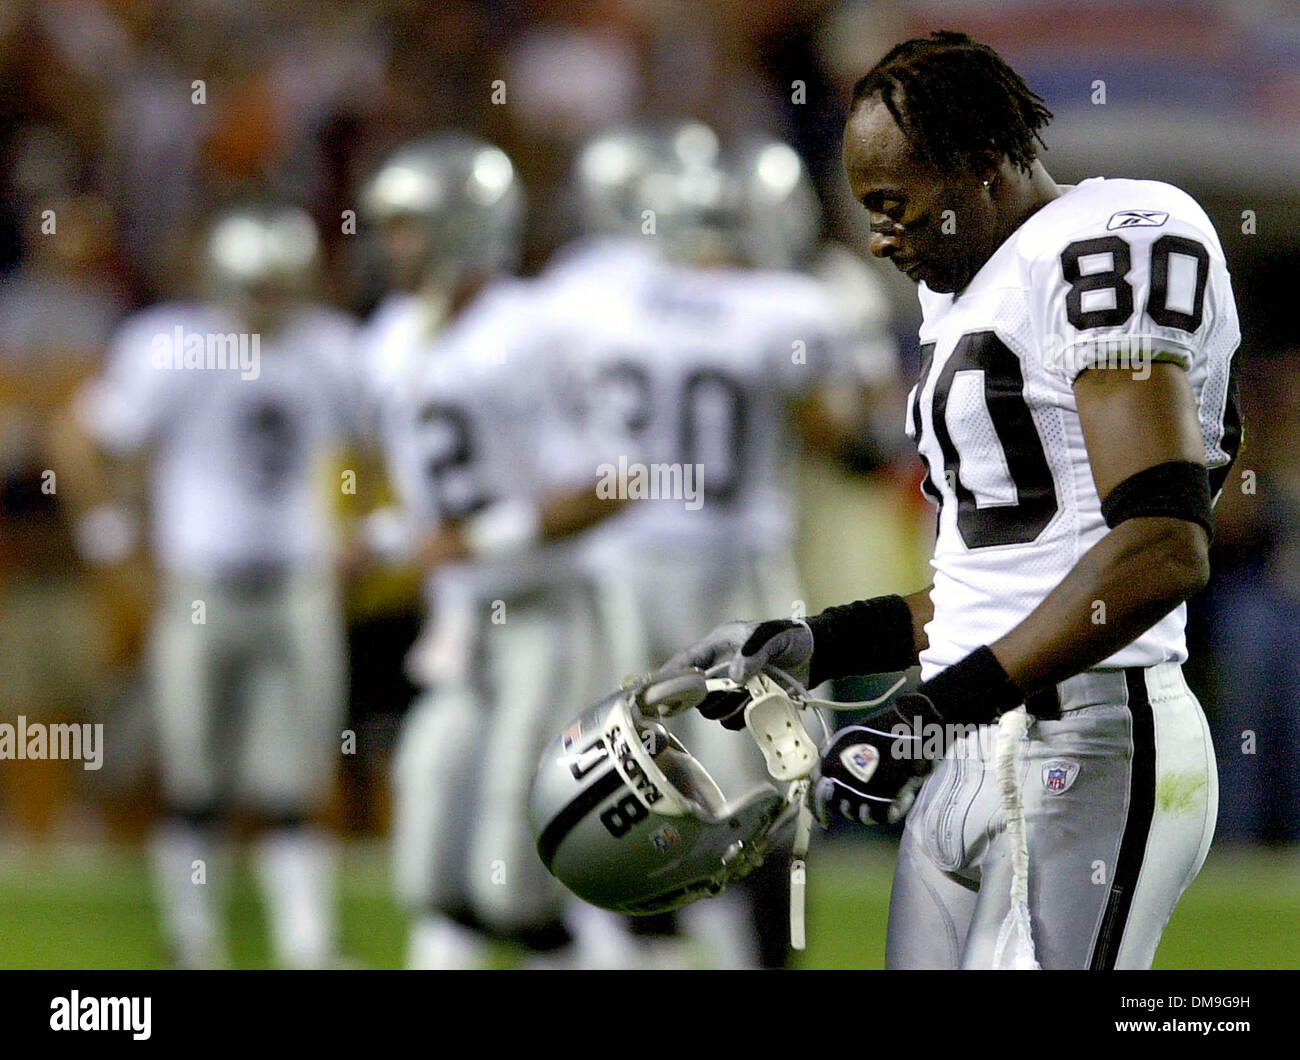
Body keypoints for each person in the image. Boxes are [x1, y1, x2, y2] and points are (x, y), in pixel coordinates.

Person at [655, 31, 1241, 970]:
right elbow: (1001, 583)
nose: (881, 236)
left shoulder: (1111, 239)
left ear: (983, 163)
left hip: (1090, 738)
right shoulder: (963, 293)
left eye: (895, 206)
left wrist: (932, 711)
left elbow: (1166, 543)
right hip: (976, 746)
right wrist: (821, 642)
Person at [65, 204, 362, 968]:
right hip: (202, 584)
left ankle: (306, 945)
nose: (270, 299)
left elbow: (386, 444)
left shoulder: (330, 350)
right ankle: (193, 941)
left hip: (299, 582)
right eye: (259, 283)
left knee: (296, 778)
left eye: (282, 283)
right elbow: (86, 435)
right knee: (194, 774)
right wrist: (111, 540)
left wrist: (368, 532)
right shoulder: (173, 346)